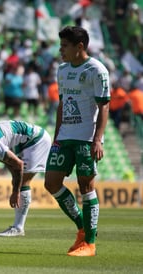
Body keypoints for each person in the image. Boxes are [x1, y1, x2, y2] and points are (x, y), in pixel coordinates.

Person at [44, 26, 110, 257]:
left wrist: (97, 140)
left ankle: (89, 244)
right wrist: (56, 137)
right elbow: (62, 104)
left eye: (64, 46)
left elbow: (104, 106)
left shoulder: (97, 70)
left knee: (86, 188)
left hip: (85, 138)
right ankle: (83, 227)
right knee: (51, 183)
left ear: (79, 47)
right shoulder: (62, 70)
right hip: (64, 137)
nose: (60, 50)